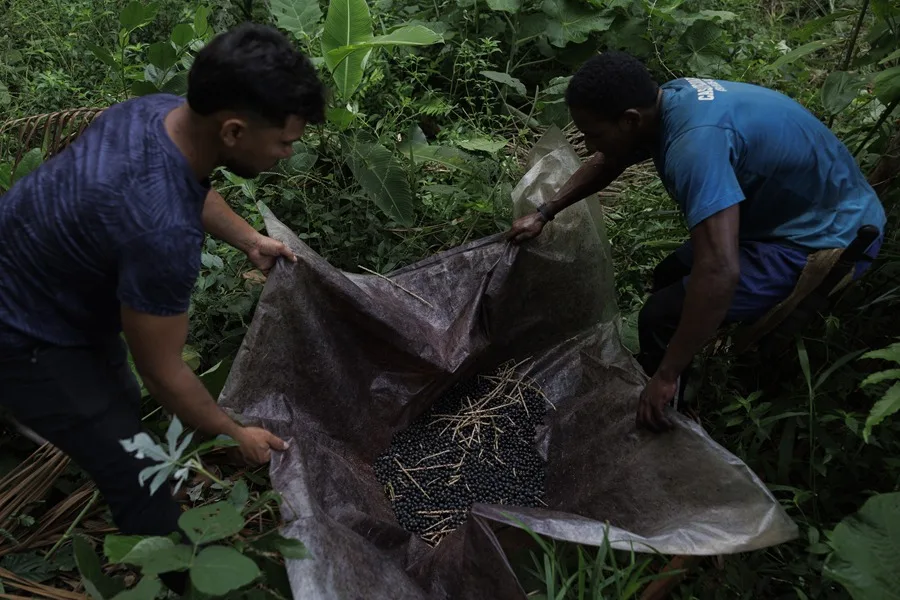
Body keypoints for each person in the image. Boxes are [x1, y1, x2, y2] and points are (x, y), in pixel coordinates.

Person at [0, 22, 325, 591]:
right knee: (139, 471)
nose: (286, 153)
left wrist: (249, 238)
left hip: (46, 279)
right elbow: (164, 372)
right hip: (22, 335)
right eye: (284, 142)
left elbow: (189, 184)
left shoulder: (158, 113)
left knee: (119, 401)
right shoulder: (160, 233)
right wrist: (233, 431)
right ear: (232, 130)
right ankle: (188, 581)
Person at [507, 51, 886, 433]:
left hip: (823, 238)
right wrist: (544, 213)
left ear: (629, 120)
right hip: (790, 212)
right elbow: (607, 161)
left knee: (660, 316)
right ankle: (671, 367)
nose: (589, 146)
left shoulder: (695, 148)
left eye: (593, 134)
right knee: (669, 274)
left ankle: (671, 407)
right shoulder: (667, 101)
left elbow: (720, 270)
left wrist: (667, 374)